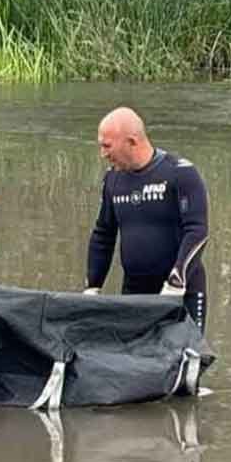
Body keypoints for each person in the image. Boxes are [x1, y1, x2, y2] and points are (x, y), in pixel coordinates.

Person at [84, 107, 210, 332]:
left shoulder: (180, 173)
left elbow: (197, 231)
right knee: (131, 363)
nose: (103, 154)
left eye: (107, 146)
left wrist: (177, 279)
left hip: (180, 293)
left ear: (131, 142)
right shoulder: (112, 180)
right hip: (135, 294)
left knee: (183, 364)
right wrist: (92, 286)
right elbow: (103, 234)